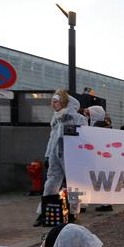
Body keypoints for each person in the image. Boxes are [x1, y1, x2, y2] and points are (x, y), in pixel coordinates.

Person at [34, 90, 88, 226]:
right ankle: (44, 212)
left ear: (64, 102)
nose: (53, 104)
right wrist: (48, 155)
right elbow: (52, 138)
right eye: (52, 101)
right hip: (55, 155)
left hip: (72, 155)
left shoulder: (78, 118)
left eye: (56, 101)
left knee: (75, 184)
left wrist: (80, 155)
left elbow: (85, 138)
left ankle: (73, 213)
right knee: (51, 183)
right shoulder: (56, 118)